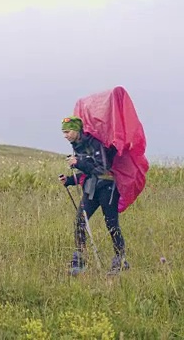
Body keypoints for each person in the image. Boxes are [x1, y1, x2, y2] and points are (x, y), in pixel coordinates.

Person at [58, 116, 129, 276]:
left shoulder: (95, 143)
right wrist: (69, 180)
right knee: (79, 222)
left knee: (111, 224)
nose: (65, 135)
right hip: (91, 189)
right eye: (63, 132)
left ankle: (121, 260)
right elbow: (87, 172)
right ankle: (79, 262)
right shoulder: (78, 145)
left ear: (77, 130)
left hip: (108, 188)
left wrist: (78, 162)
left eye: (67, 131)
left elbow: (102, 169)